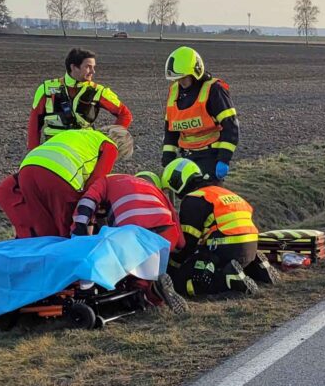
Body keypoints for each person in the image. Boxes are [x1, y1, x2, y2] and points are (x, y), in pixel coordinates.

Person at [163, 158, 275, 296]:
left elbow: (188, 243)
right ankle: (258, 269)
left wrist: (171, 265)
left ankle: (227, 280)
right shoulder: (222, 192)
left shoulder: (194, 199)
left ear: (178, 181)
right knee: (224, 261)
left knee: (184, 281)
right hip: (251, 246)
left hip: (223, 249)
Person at [0, 128, 118, 238]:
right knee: (65, 230)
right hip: (60, 176)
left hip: (27, 169)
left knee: (42, 227)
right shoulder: (110, 146)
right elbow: (94, 184)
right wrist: (90, 217)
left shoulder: (76, 133)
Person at [161, 46, 240, 182]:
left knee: (206, 198)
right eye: (177, 78)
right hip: (186, 158)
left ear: (196, 72)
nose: (180, 82)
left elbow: (231, 126)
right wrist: (168, 154)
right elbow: (170, 128)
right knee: (188, 199)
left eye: (183, 78)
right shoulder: (174, 91)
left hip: (210, 156)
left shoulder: (214, 90)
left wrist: (224, 159)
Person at [28, 48, 133, 149]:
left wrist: (108, 141)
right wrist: (33, 151)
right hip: (53, 148)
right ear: (73, 67)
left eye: (93, 67)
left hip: (83, 150)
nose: (93, 71)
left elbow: (125, 115)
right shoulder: (46, 89)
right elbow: (34, 123)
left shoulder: (99, 91)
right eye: (88, 67)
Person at [71, 173, 184, 252]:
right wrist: (180, 245)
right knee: (151, 271)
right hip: (166, 233)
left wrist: (78, 234)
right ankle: (149, 283)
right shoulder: (156, 191)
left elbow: (86, 202)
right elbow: (174, 215)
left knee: (124, 270)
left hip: (132, 231)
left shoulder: (105, 180)